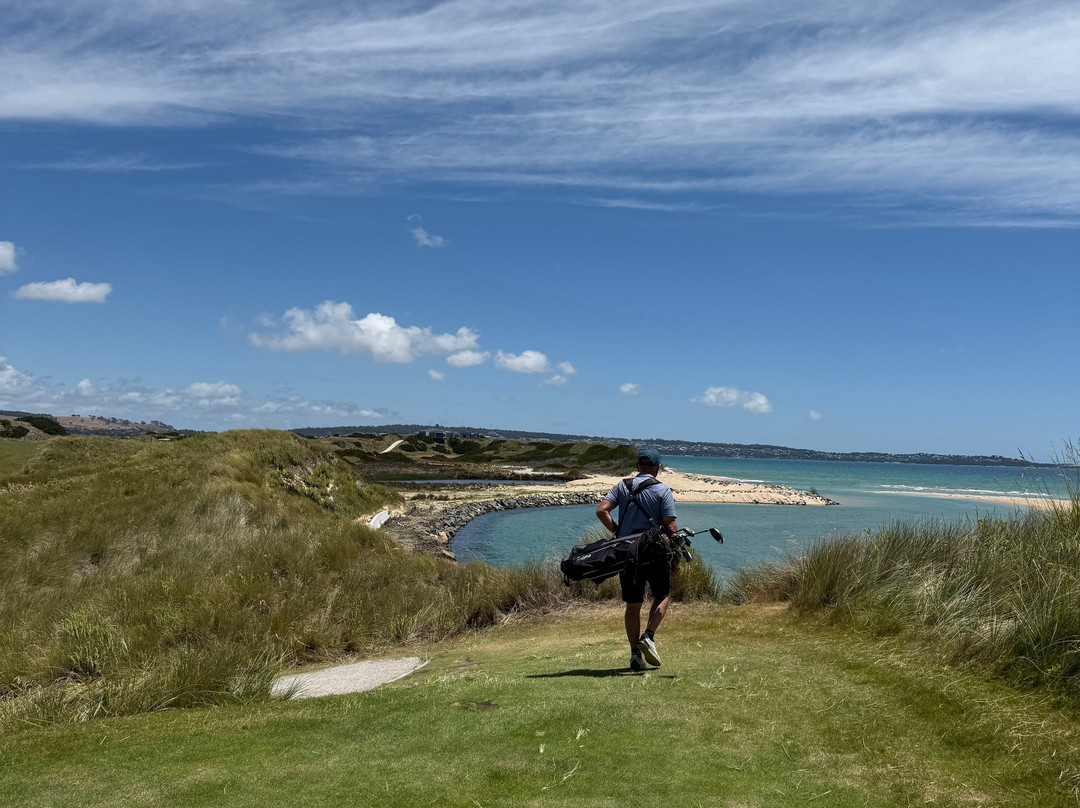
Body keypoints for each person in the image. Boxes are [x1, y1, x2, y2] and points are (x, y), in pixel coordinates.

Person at [595, 448, 680, 672]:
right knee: (662, 593)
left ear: (638, 466)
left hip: (626, 551)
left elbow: (602, 511)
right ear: (658, 468)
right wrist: (676, 554)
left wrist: (618, 532)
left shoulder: (622, 485)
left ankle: (635, 655)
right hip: (653, 550)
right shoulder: (662, 489)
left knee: (633, 605)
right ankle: (648, 636)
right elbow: (670, 527)